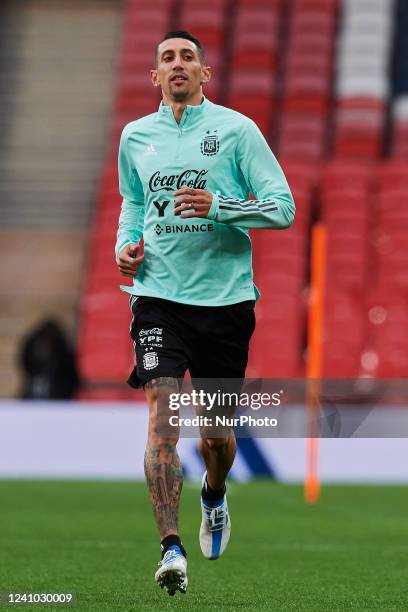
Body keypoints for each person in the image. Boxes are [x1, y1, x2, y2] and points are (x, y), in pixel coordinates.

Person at [115, 31, 295, 596]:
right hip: (157, 297)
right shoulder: (135, 136)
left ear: (204, 73)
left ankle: (214, 497)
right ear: (154, 76)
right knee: (162, 420)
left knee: (215, 436)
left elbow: (283, 207)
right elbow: (134, 203)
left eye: (187, 57)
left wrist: (220, 207)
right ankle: (171, 549)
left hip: (224, 301)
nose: (177, 65)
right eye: (167, 58)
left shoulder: (237, 131)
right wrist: (126, 245)